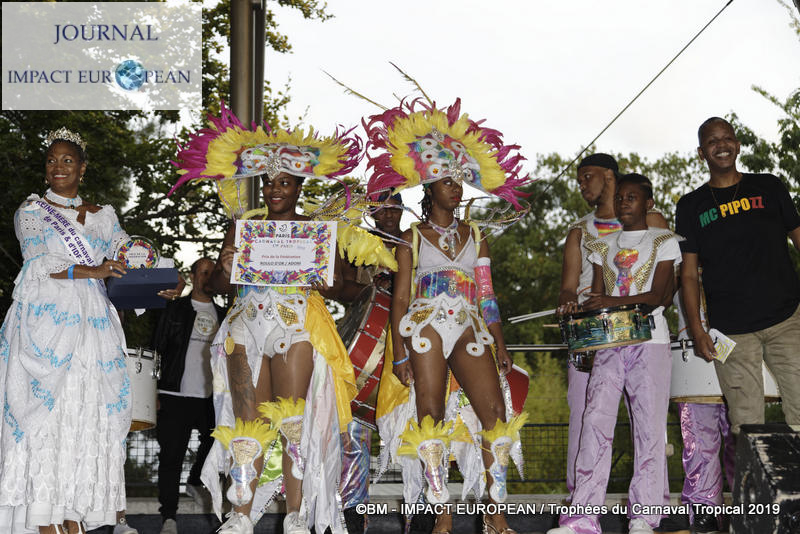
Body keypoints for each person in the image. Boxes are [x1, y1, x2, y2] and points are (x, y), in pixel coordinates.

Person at [171, 104, 386, 534]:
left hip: (296, 324)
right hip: (247, 322)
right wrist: (226, 268)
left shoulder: (315, 230)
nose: (274, 190)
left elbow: (341, 285)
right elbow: (216, 286)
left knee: (293, 421)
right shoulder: (242, 229)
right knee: (247, 421)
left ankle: (295, 514)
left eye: (284, 183)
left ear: (298, 186)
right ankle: (241, 515)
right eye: (268, 183)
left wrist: (324, 278)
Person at [366, 97, 530, 534]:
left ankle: (495, 515)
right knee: (430, 412)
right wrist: (399, 354)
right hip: (423, 325)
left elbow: (489, 297)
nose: (455, 187)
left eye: (460, 180)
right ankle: (442, 514)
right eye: (446, 180)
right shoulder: (410, 238)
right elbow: (400, 301)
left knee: (494, 413)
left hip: (470, 325)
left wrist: (500, 342)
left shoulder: (477, 235)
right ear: (430, 188)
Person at [0, 128, 135, 534]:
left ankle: (75, 520)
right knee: (48, 427)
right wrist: (94, 269)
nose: (58, 167)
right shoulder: (32, 211)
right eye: (51, 160)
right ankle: (43, 521)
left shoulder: (104, 216)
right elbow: (38, 263)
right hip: (47, 325)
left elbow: (130, 255)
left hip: (94, 330)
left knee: (84, 425)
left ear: (82, 167)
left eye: (67, 160)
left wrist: (159, 278)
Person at [557, 155, 684, 534]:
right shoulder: (599, 244)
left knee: (648, 427)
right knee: (594, 421)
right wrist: (587, 313)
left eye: (633, 198)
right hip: (609, 342)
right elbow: (593, 293)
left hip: (652, 340)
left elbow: (660, 295)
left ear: (647, 203)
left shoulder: (665, 239)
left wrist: (608, 303)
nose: (624, 203)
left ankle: (645, 515)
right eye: (622, 198)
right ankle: (581, 517)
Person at [675, 116, 800, 436]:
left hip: (787, 319)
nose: (721, 145)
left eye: (726, 138)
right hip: (731, 332)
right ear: (701, 152)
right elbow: (688, 276)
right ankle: (759, 487)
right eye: (712, 141)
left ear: (737, 145)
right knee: (747, 424)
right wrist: (696, 329)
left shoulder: (769, 186)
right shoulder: (691, 206)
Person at [336, 192, 404, 534]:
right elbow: (339, 287)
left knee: (410, 437)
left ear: (403, 208)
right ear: (371, 211)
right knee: (352, 435)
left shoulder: (416, 242)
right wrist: (373, 290)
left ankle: (420, 519)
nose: (388, 211)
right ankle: (352, 517)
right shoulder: (355, 245)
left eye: (394, 205)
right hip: (363, 353)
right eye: (380, 206)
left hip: (409, 350)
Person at [151, 257, 225, 534]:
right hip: (172, 393)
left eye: (213, 273)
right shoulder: (174, 310)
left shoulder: (225, 313)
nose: (208, 278)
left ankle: (196, 481)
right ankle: (168, 516)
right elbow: (156, 348)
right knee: (171, 457)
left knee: (214, 447)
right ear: (193, 275)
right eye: (203, 272)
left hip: (210, 397)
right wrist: (153, 392)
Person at [672, 278, 735, 534]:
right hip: (691, 355)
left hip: (739, 349)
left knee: (742, 439)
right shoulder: (675, 254)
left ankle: (751, 509)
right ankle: (705, 512)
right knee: (698, 442)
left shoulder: (738, 249)